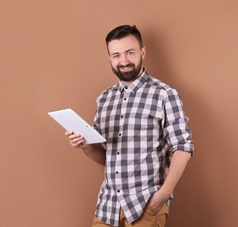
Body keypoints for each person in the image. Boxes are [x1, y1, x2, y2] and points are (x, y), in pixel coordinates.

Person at [65, 25, 194, 227]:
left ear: (142, 52)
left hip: (146, 205)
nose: (123, 61)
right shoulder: (104, 99)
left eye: (129, 53)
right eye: (116, 55)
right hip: (108, 206)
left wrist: (164, 195)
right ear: (109, 58)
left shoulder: (164, 94)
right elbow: (105, 155)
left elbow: (183, 146)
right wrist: (85, 145)